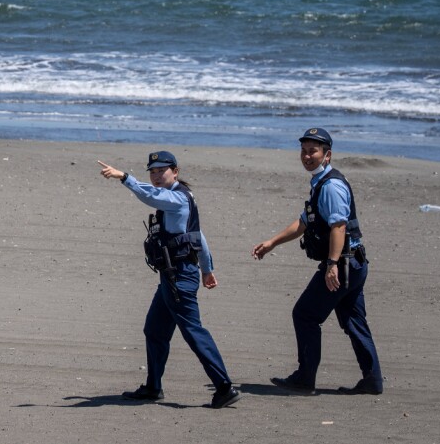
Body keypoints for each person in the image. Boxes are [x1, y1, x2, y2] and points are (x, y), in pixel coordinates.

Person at [99, 151, 242, 409]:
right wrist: (207, 269)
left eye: (161, 170)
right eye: (152, 171)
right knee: (154, 330)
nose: (155, 175)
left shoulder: (175, 198)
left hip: (179, 276)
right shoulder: (180, 199)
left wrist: (125, 177)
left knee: (193, 331)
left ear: (175, 171)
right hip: (171, 276)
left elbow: (151, 195)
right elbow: (198, 236)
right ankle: (153, 387)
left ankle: (224, 386)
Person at [251, 127, 384, 395]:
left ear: (327, 154)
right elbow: (303, 222)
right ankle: (372, 379)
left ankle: (305, 378)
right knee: (353, 321)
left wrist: (332, 265)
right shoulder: (321, 183)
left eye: (313, 150)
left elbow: (338, 227)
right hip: (354, 264)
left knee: (305, 315)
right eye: (303, 150)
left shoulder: (331, 186)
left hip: (344, 264)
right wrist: (272, 242)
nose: (306, 155)